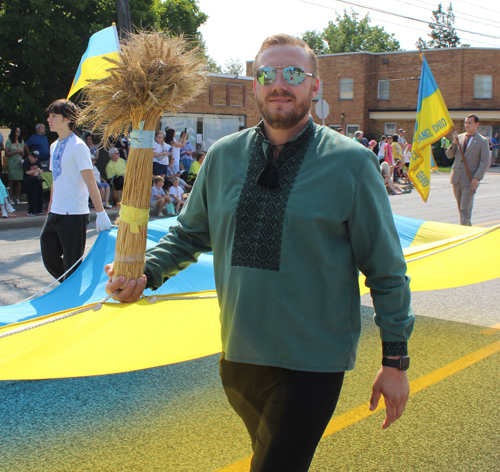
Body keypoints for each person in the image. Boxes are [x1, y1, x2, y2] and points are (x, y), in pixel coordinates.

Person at [104, 34, 413, 471]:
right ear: (255, 85)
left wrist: (395, 359)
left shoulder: (351, 163)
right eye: (267, 74)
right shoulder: (223, 156)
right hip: (239, 358)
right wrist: (145, 272)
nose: (279, 84)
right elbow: (190, 235)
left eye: (293, 74)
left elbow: (386, 269)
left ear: (314, 86)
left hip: (312, 360)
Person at [41, 99, 112, 281]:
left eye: (54, 116)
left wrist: (101, 213)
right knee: (48, 255)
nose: (49, 119)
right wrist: (49, 209)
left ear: (67, 119)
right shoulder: (53, 145)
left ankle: (72, 298)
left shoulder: (79, 146)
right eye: (49, 116)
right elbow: (56, 180)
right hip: (56, 212)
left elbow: (90, 181)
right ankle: (69, 288)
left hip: (74, 215)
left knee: (72, 265)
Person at [445, 114, 490, 226]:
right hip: (456, 178)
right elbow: (449, 156)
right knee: (461, 208)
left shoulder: (482, 141)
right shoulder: (459, 137)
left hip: (470, 180)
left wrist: (477, 178)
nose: (467, 125)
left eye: (470, 122)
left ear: (477, 124)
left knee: (465, 209)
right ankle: (466, 229)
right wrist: (454, 143)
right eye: (466, 122)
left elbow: (485, 161)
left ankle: (465, 233)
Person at [5, 126, 26, 204]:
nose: (18, 132)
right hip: (12, 163)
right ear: (14, 132)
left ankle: (17, 198)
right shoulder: (9, 141)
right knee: (11, 181)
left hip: (19, 162)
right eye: (17, 131)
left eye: (19, 131)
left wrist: (20, 152)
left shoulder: (21, 141)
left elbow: (23, 153)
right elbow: (6, 153)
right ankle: (10, 198)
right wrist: (14, 151)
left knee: (18, 181)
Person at [22, 150, 45, 216]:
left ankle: (38, 210)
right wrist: (35, 171)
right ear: (30, 156)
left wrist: (37, 172)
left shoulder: (37, 162)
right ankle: (31, 211)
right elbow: (27, 172)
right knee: (32, 197)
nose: (35, 159)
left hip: (37, 180)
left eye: (36, 158)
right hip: (30, 181)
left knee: (40, 195)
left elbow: (41, 169)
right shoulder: (26, 162)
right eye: (34, 157)